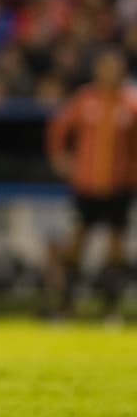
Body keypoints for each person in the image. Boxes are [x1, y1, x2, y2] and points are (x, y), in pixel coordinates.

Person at [44, 47, 137, 322]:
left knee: (116, 247)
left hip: (119, 185)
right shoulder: (84, 99)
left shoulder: (130, 103)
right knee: (77, 243)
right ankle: (66, 305)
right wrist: (60, 158)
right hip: (86, 185)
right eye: (105, 67)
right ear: (97, 70)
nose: (110, 73)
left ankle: (110, 309)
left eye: (115, 68)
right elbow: (58, 129)